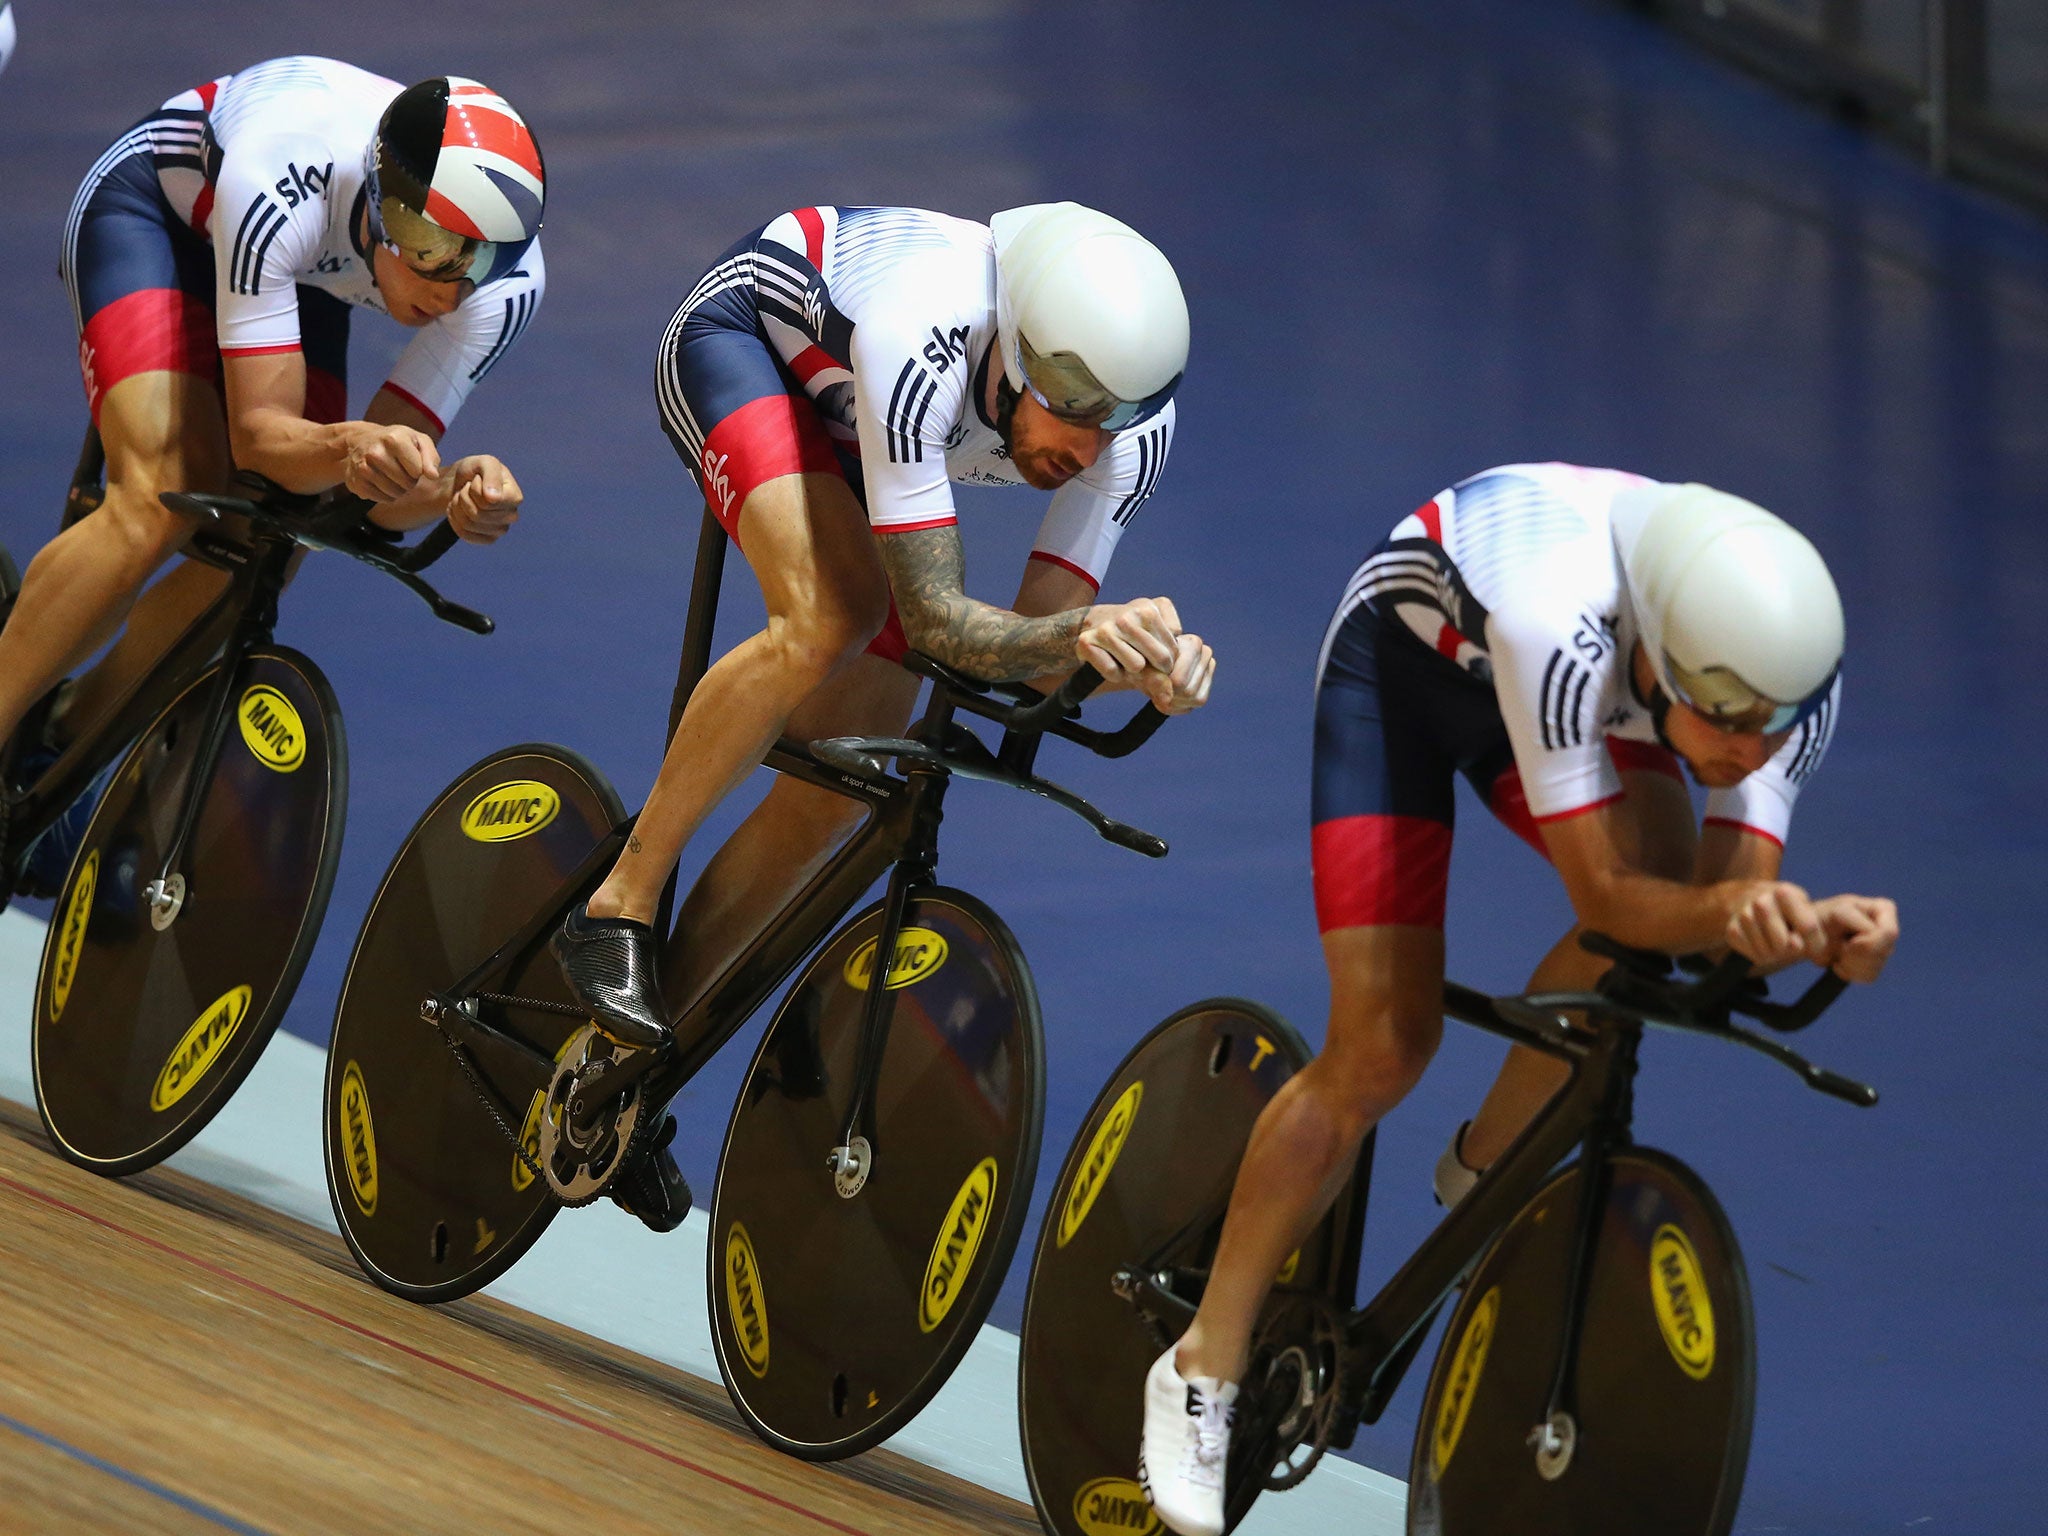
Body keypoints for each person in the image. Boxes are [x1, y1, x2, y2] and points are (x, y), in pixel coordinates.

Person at [1137, 463, 1901, 1536]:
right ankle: (1200, 1362)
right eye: (1726, 720)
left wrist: (1814, 936)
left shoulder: (1780, 693)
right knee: (1380, 1048)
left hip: (1584, 701)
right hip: (1403, 676)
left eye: (1771, 727)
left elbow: (1729, 913)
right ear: (1661, 660)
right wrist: (1754, 917)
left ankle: (1479, 1171)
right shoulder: (1558, 616)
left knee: (1677, 900)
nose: (1748, 750)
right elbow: (1609, 899)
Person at [549, 202, 1216, 1231]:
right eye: (1065, 408)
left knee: (835, 795)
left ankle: (623, 1077)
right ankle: (618, 901)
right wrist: (1081, 635)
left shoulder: (1128, 433)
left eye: (1109, 423)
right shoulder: (924, 325)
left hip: (856, 435)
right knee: (833, 615)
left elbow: (1034, 654)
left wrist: (1135, 663)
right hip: (744, 348)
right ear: (1013, 349)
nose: (1084, 449)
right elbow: (941, 619)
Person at [0, 57, 547, 900]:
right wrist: (349, 448)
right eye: (434, 252)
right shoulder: (281, 170)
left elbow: (369, 487)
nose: (450, 289)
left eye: (475, 263)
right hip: (166, 214)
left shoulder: (500, 288)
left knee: (272, 544)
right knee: (160, 498)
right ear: (380, 205)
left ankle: (63, 741)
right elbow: (260, 440)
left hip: (308, 274)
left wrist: (452, 491)